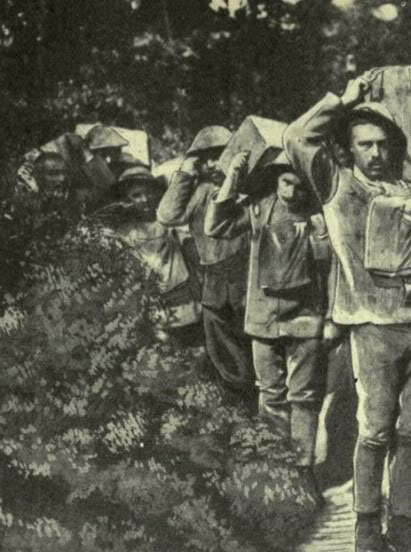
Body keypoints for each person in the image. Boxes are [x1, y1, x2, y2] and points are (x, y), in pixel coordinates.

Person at [283, 75, 411, 552]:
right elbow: (296, 138)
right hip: (373, 330)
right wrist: (342, 100)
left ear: (395, 146)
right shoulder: (336, 185)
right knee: (374, 431)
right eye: (364, 144)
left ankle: (403, 528)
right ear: (348, 149)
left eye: (383, 144)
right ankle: (367, 531)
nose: (375, 153)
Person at [205, 151, 332, 505]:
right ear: (276, 179)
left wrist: (330, 317)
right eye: (286, 183)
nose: (291, 192)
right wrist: (233, 177)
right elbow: (215, 227)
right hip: (263, 319)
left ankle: (303, 475)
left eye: (300, 186)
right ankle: (278, 474)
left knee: (304, 399)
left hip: (305, 318)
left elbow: (330, 267)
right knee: (271, 397)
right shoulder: (258, 208)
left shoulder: (319, 214)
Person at [156, 126, 256, 406]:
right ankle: (238, 410)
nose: (213, 164)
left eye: (219, 155)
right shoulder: (201, 193)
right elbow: (167, 215)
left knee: (255, 351)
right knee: (224, 355)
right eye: (206, 158)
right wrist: (186, 172)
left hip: (248, 277)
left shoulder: (247, 190)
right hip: (214, 280)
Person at [111, 167, 202, 346]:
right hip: (153, 305)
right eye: (136, 195)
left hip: (183, 298)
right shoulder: (124, 233)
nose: (145, 199)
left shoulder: (169, 222)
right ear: (126, 200)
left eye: (148, 193)